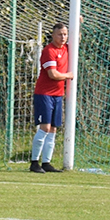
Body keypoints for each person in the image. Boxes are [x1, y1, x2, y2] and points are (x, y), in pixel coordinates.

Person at [29, 22, 74, 173]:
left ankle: (46, 162)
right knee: (45, 127)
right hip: (44, 94)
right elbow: (52, 74)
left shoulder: (67, 48)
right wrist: (68, 75)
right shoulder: (49, 50)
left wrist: (78, 23)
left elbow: (77, 38)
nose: (63, 37)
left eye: (65, 34)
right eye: (60, 34)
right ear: (53, 35)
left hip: (58, 95)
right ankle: (34, 162)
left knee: (53, 129)